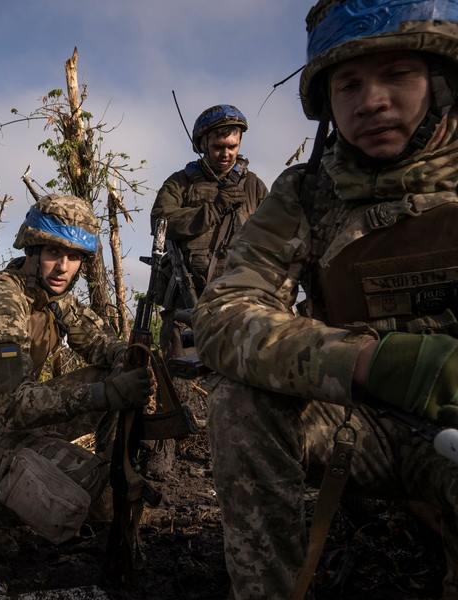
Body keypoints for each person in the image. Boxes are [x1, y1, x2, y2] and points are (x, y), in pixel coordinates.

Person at [191, 1, 458, 598]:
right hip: (361, 424)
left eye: (397, 75)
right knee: (239, 404)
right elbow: (221, 313)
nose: (372, 101)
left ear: (439, 79)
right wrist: (369, 362)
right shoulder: (307, 192)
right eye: (349, 84)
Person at [0, 193, 155, 556]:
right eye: (53, 253)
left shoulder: (51, 295)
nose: (64, 267)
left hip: (15, 420)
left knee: (107, 489)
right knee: (79, 495)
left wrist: (128, 357)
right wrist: (108, 394)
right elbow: (16, 406)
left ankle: (110, 478)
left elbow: (99, 341)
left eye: (75, 256)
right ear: (32, 252)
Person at [151, 104, 268, 360]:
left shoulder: (254, 186)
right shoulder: (179, 183)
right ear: (203, 144)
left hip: (242, 304)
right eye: (218, 147)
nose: (226, 154)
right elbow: (159, 222)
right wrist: (213, 209)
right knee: (182, 384)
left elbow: (275, 239)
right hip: (186, 303)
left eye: (232, 147)